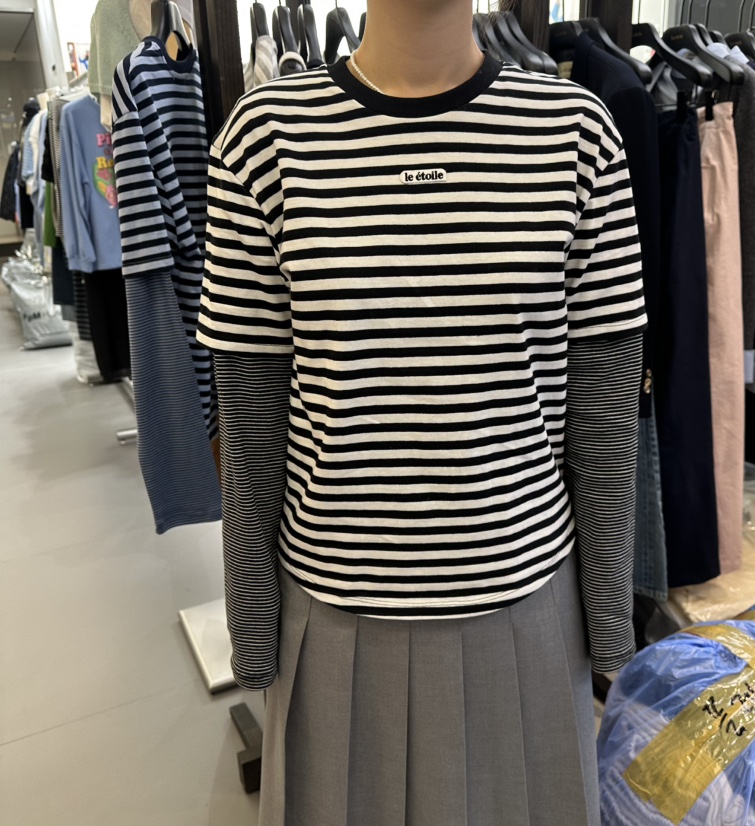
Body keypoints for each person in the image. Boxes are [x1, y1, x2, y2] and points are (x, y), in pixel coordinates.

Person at [196, 1, 646, 823]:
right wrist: (254, 627)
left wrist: (609, 621)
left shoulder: (576, 133)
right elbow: (251, 428)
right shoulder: (264, 139)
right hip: (332, 618)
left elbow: (604, 419)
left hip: (527, 611)